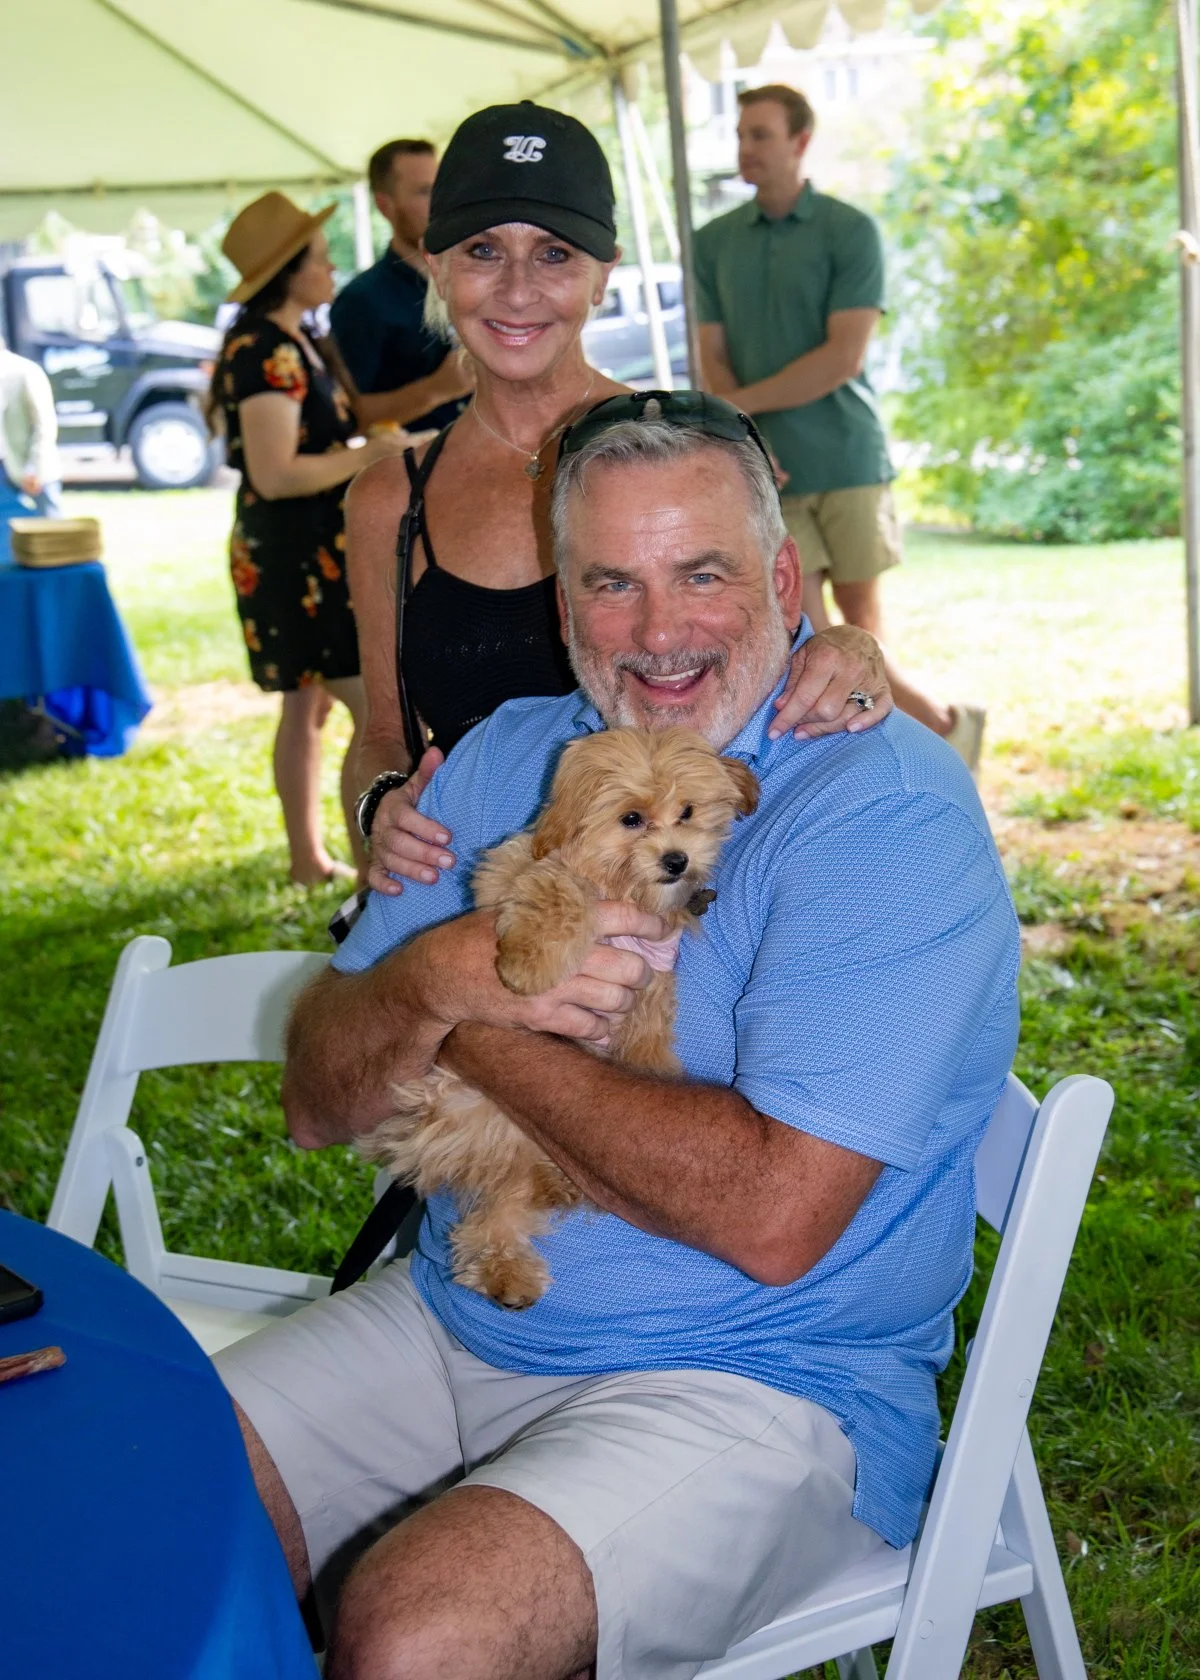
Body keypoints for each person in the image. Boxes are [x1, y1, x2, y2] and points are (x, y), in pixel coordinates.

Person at [216, 389, 1021, 1680]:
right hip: (464, 1301)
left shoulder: (878, 812)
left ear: (779, 576)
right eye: (609, 583)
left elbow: (772, 1218)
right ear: (559, 600)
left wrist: (469, 1025)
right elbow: (317, 1099)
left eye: (700, 574)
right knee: (136, 1475)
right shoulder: (501, 759)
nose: (656, 633)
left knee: (423, 1633)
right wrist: (428, 981)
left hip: (757, 1379)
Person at [343, 100, 894, 906]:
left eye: (556, 254)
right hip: (484, 898)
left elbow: (785, 626)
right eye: (484, 250)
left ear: (605, 274)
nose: (518, 289)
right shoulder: (391, 499)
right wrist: (376, 807)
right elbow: (384, 735)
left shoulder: (686, 453)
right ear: (437, 265)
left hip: (682, 890)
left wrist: (853, 653)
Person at [695, 83, 987, 773]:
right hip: (767, 469)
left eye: (760, 134)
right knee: (806, 632)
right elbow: (710, 358)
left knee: (860, 630)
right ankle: (944, 730)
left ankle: (899, 755)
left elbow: (841, 357)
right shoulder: (710, 243)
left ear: (800, 142)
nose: (745, 148)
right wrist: (746, 436)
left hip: (847, 455)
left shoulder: (850, 230)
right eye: (740, 134)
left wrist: (740, 408)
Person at [208, 192, 409, 885]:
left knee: (310, 705)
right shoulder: (262, 348)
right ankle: (368, 869)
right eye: (320, 260)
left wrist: (368, 444)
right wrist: (367, 457)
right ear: (288, 271)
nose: (331, 271)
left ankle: (309, 859)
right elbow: (275, 471)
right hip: (297, 559)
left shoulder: (293, 339)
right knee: (366, 707)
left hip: (314, 549)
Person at [328, 139, 473, 434]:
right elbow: (345, 419)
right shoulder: (361, 302)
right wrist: (436, 390)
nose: (440, 202)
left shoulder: (474, 278)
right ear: (386, 206)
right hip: (411, 473)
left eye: (442, 188)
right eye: (424, 192)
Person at [0, 334, 61, 518]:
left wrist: (34, 467)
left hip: (33, 466)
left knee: (50, 528)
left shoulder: (25, 372)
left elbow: (44, 425)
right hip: (4, 468)